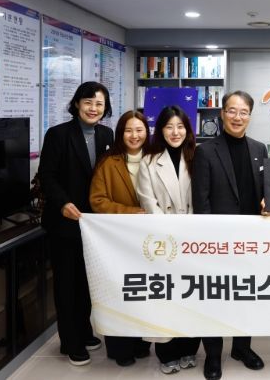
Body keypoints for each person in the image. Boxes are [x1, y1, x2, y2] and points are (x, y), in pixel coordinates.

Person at [192, 91, 266, 380]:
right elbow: (201, 200)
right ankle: (213, 355)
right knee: (215, 298)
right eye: (232, 111)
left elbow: (265, 192)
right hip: (218, 241)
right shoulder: (206, 151)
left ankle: (241, 348)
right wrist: (210, 243)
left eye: (243, 112)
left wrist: (268, 204)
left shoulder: (259, 148)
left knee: (247, 296)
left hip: (252, 240)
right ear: (222, 114)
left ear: (250, 116)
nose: (238, 117)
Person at [38, 81, 114, 365]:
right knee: (67, 284)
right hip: (65, 221)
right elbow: (47, 176)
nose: (93, 108)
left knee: (86, 281)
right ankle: (71, 342)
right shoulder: (58, 134)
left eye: (99, 104)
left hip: (94, 225)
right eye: (88, 102)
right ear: (77, 104)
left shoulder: (107, 134)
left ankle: (84, 331)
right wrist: (62, 203)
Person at [136, 105, 200, 375]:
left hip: (194, 239)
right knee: (166, 297)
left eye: (180, 127)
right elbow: (148, 202)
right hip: (164, 241)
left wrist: (190, 230)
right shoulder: (148, 162)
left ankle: (189, 348)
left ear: (188, 129)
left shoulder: (197, 156)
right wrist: (172, 231)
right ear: (160, 130)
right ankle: (167, 353)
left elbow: (203, 196)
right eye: (169, 127)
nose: (175, 132)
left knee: (192, 296)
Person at [88, 110, 152, 366]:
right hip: (117, 240)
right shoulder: (108, 162)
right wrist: (130, 212)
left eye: (139, 130)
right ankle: (119, 349)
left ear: (147, 132)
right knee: (121, 292)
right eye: (128, 130)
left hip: (148, 241)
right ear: (120, 133)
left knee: (145, 292)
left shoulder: (155, 158)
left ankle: (142, 343)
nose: (134, 135)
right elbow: (97, 200)